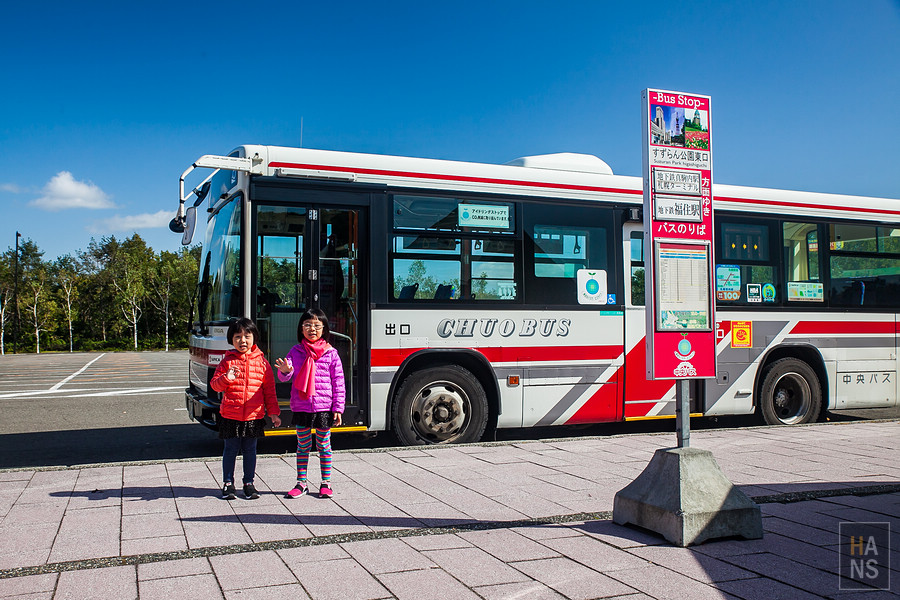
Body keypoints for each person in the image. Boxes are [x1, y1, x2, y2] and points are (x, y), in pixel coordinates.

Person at [274, 308, 345, 498]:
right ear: (301, 329)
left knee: (324, 445)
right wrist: (285, 370)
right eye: (307, 325)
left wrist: (338, 407)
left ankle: (326, 483)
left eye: (316, 325)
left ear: (324, 329)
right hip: (302, 406)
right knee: (303, 445)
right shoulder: (295, 351)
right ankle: (301, 483)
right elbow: (284, 376)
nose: (312, 329)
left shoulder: (331, 353)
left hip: (323, 408)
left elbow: (338, 381)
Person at [209, 317, 281, 500]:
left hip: (253, 416)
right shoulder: (226, 362)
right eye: (237, 337)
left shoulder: (263, 363)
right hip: (231, 415)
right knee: (230, 450)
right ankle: (227, 483)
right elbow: (215, 386)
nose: (243, 340)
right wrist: (227, 378)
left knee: (250, 450)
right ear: (231, 340)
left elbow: (269, 391)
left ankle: (249, 483)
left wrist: (274, 413)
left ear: (254, 338)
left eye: (247, 336)